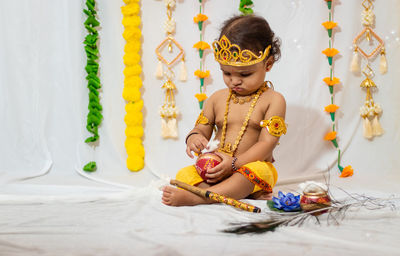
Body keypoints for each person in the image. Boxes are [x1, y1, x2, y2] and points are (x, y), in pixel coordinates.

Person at [162, 14, 286, 206]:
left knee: (258, 172)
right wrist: (194, 138)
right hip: (216, 168)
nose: (234, 81)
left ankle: (200, 197)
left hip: (247, 167)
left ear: (267, 64)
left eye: (245, 74)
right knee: (184, 174)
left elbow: (266, 144)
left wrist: (235, 164)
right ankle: (228, 193)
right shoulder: (217, 98)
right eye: (226, 73)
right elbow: (201, 128)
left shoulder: (273, 100)